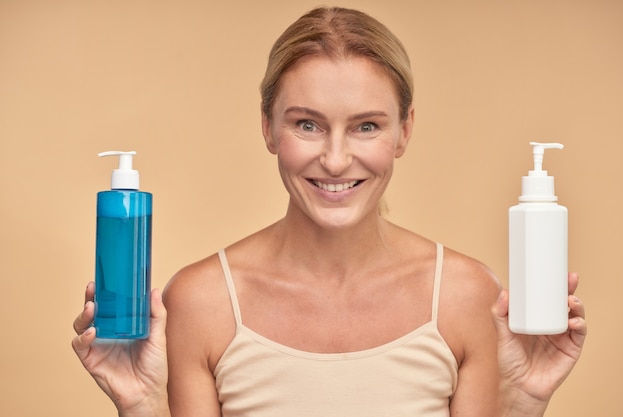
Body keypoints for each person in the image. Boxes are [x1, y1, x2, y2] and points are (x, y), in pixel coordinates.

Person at [72, 6, 586, 417]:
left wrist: (523, 402)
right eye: (307, 124)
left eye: (366, 126)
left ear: (404, 130)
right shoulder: (201, 303)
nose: (336, 160)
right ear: (268, 127)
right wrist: (141, 405)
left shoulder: (466, 296)